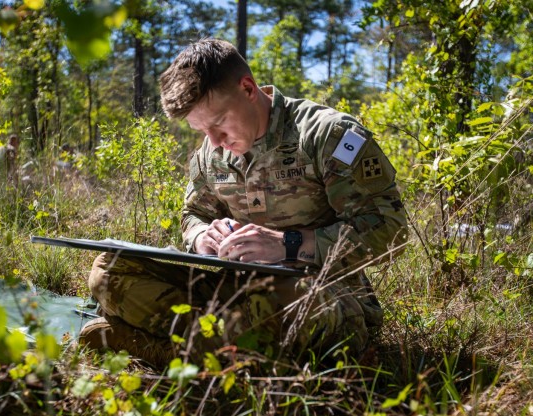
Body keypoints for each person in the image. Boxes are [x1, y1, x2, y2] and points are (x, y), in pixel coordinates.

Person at [79, 39, 408, 369]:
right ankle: (216, 343)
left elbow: (390, 231)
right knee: (109, 269)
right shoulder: (211, 154)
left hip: (320, 293)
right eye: (201, 129)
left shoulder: (327, 135)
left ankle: (159, 350)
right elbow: (192, 214)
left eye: (219, 122)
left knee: (294, 305)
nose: (214, 142)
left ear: (248, 89)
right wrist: (202, 236)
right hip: (237, 288)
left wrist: (288, 245)